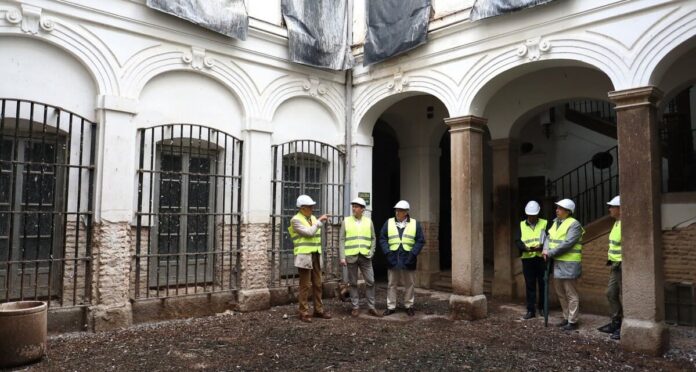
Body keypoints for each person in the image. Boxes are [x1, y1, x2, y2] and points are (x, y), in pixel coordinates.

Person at [543, 198, 584, 331]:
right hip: (558, 262)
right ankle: (566, 317)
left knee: (571, 293)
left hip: (570, 263)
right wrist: (545, 249)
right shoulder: (555, 223)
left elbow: (568, 243)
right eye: (557, 208)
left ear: (568, 211)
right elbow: (549, 238)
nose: (557, 210)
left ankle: (573, 321)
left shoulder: (574, 225)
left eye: (560, 208)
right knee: (560, 292)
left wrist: (550, 253)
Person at [289, 194, 332, 323]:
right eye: (310, 207)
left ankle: (318, 310)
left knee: (318, 284)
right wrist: (319, 222)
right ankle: (303, 312)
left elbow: (315, 233)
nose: (312, 209)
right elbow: (309, 233)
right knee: (305, 285)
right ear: (302, 208)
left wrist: (319, 222)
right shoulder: (295, 220)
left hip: (315, 254)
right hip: (303, 256)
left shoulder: (312, 218)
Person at [379, 200, 425, 316]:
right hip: (393, 257)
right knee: (391, 284)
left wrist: (413, 254)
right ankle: (391, 306)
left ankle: (409, 305)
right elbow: (382, 238)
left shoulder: (415, 223)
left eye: (400, 210)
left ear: (406, 212)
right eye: (396, 210)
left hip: (408, 257)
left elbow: (420, 240)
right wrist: (388, 253)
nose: (397, 212)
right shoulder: (388, 222)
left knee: (409, 284)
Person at [339, 197, 381, 317]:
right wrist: (342, 257)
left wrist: (371, 252)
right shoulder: (346, 221)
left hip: (365, 256)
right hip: (351, 256)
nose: (354, 208)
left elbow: (373, 238)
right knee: (352, 283)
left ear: (362, 209)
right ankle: (355, 307)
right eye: (353, 206)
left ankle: (371, 307)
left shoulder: (369, 222)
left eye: (356, 206)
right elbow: (342, 240)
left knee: (371, 281)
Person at [514, 200, 548, 319]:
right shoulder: (521, 225)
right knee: (530, 285)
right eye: (530, 215)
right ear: (527, 214)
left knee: (543, 284)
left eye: (534, 215)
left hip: (541, 258)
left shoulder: (545, 223)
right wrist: (524, 248)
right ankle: (530, 310)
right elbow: (517, 240)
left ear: (538, 214)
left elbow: (549, 238)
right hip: (527, 259)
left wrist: (543, 247)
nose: (532, 217)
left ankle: (543, 308)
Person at [598, 195, 623, 340]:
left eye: (612, 207)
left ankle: (623, 325)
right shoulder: (616, 223)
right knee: (610, 293)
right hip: (615, 264)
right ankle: (616, 322)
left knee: (625, 296)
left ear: (620, 209)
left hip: (623, 265)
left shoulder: (625, 224)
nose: (609, 209)